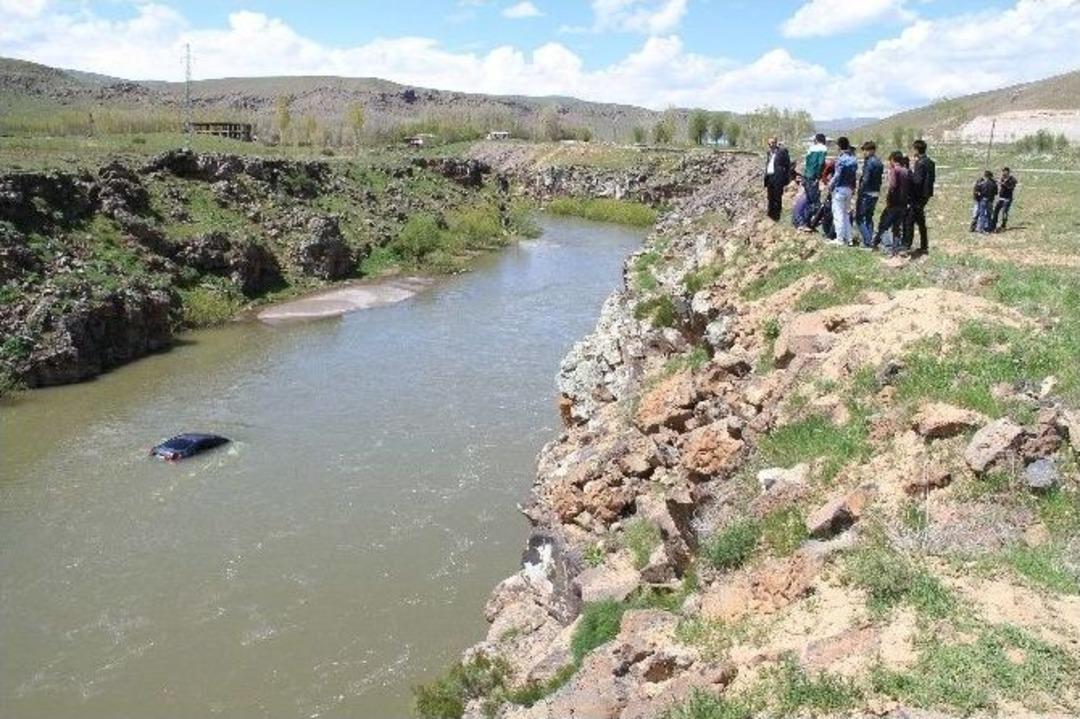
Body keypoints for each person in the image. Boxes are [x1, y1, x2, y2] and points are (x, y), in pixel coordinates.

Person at [873, 151, 910, 256]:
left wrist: (888, 198)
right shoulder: (906, 171)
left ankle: (882, 245)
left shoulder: (894, 170)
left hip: (894, 203)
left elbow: (892, 186)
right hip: (903, 203)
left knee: (884, 225)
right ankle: (895, 248)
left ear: (893, 160)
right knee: (897, 227)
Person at [904, 139, 935, 256]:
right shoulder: (930, 162)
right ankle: (924, 245)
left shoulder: (920, 163)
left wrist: (910, 174)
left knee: (909, 221)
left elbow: (917, 181)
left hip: (917, 196)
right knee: (920, 220)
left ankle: (907, 245)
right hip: (926, 195)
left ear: (916, 149)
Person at [829, 136, 858, 246]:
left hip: (840, 189)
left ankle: (840, 239)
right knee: (846, 214)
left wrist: (830, 184)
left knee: (838, 214)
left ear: (839, 146)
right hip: (849, 189)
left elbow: (837, 175)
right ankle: (849, 238)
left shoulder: (841, 159)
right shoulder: (853, 159)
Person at [856, 141, 883, 248]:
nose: (864, 153)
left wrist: (860, 190)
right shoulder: (879, 162)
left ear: (871, 150)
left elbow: (866, 179)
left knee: (859, 218)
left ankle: (868, 242)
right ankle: (870, 238)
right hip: (875, 192)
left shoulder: (869, 162)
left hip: (866, 193)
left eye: (865, 150)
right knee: (868, 217)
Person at [799, 133, 828, 229]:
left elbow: (807, 162)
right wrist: (819, 176)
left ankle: (804, 221)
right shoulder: (823, 148)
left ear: (816, 140)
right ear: (823, 140)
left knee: (808, 199)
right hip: (813, 177)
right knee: (814, 202)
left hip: (807, 175)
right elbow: (820, 163)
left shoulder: (811, 148)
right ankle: (808, 223)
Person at [763, 137, 791, 221]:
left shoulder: (781, 152)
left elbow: (787, 165)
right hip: (769, 177)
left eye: (773, 143)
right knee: (770, 196)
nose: (771, 145)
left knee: (777, 196)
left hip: (778, 177)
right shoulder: (769, 153)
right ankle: (770, 214)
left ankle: (777, 215)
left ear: (776, 143)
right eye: (769, 144)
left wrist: (786, 178)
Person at [990, 167, 1017, 232]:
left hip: (1007, 198)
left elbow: (1011, 187)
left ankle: (1003, 225)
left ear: (1008, 172)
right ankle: (993, 225)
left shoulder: (1012, 179)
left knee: (1004, 212)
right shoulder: (1002, 178)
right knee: (996, 211)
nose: (1003, 173)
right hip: (1001, 197)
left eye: (1004, 171)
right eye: (1003, 172)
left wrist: (1003, 184)